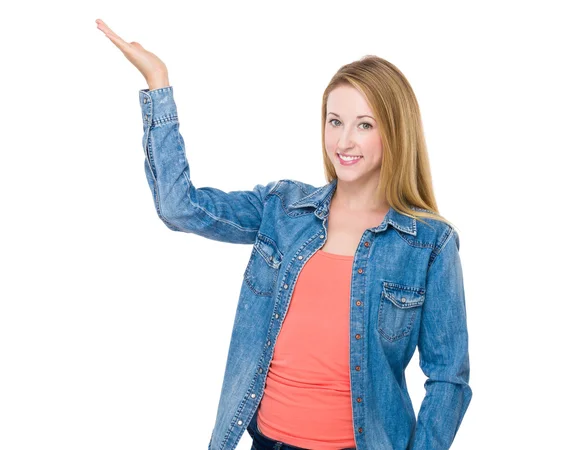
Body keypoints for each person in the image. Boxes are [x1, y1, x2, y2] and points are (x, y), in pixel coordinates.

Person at [97, 18, 472, 450]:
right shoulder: (284, 208)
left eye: (364, 125)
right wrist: (157, 83)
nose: (344, 140)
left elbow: (448, 377)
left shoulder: (428, 243)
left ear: (395, 131)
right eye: (335, 121)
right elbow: (181, 208)